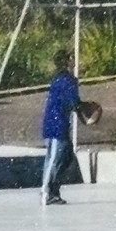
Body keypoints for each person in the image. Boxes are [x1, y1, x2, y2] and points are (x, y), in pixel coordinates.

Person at [39, 49, 81, 205]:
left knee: (66, 156)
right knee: (54, 158)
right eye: (71, 58)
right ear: (66, 61)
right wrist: (84, 108)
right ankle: (47, 191)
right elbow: (72, 102)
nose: (74, 60)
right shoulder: (67, 80)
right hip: (56, 124)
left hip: (56, 122)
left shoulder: (60, 78)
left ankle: (53, 190)